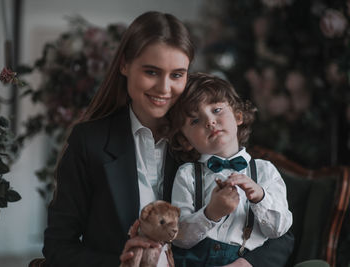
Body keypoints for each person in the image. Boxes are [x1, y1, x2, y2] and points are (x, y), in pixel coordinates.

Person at [42, 11, 294, 267]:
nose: (164, 88)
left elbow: (280, 234)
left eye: (176, 75)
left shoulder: (202, 139)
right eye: (151, 72)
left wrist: (248, 265)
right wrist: (120, 263)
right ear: (124, 65)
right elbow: (58, 247)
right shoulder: (90, 142)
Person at [168, 72, 293, 266]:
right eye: (195, 121)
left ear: (238, 116)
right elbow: (179, 237)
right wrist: (210, 213)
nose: (210, 121)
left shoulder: (265, 171)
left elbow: (279, 229)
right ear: (186, 142)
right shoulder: (187, 175)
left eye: (217, 110)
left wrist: (260, 196)